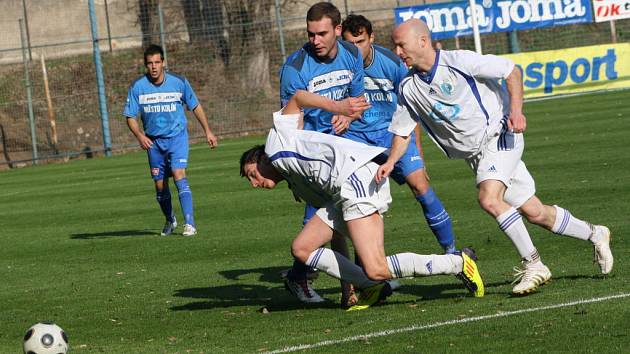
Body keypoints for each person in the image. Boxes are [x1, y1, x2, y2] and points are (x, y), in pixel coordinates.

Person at [379, 19, 613, 295]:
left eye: (401, 44)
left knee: (489, 199)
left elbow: (512, 71)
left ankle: (534, 264)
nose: (397, 51)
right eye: (394, 45)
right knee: (535, 212)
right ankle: (595, 233)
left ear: (422, 41)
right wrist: (392, 162)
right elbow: (403, 132)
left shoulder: (460, 61)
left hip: (500, 134)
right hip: (476, 155)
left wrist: (516, 111)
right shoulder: (408, 87)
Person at [240, 90, 484, 311]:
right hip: (345, 189)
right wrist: (347, 289)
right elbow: (336, 235)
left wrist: (339, 107)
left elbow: (298, 97)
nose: (254, 182)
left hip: (356, 178)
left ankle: (457, 263)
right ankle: (370, 286)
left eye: (253, 174)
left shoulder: (275, 143)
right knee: (302, 248)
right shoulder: (299, 184)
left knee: (376, 268)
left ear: (261, 159)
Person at [341, 14, 458, 254]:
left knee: (421, 188)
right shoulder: (339, 68)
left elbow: (410, 107)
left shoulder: (392, 63)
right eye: (349, 44)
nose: (354, 49)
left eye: (360, 42)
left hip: (391, 135)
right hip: (356, 141)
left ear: (371, 38)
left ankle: (452, 252)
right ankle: (366, 268)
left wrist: (420, 154)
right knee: (358, 204)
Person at [278, 2, 365, 304]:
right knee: (329, 220)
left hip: (342, 148)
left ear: (338, 30)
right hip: (311, 154)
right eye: (310, 34)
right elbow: (291, 123)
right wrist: (295, 175)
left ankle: (348, 284)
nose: (315, 40)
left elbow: (358, 99)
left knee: (341, 218)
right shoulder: (295, 68)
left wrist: (349, 116)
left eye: (322, 33)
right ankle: (347, 284)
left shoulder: (352, 53)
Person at [123, 44, 218, 237]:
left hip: (177, 138)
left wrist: (208, 131)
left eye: (157, 62)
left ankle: (190, 223)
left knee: (178, 174)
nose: (154, 66)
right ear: (145, 65)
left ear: (163, 62)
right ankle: (170, 219)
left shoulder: (179, 82)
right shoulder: (138, 87)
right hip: (153, 143)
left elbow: (195, 106)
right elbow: (130, 116)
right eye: (150, 63)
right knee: (160, 186)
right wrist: (140, 136)